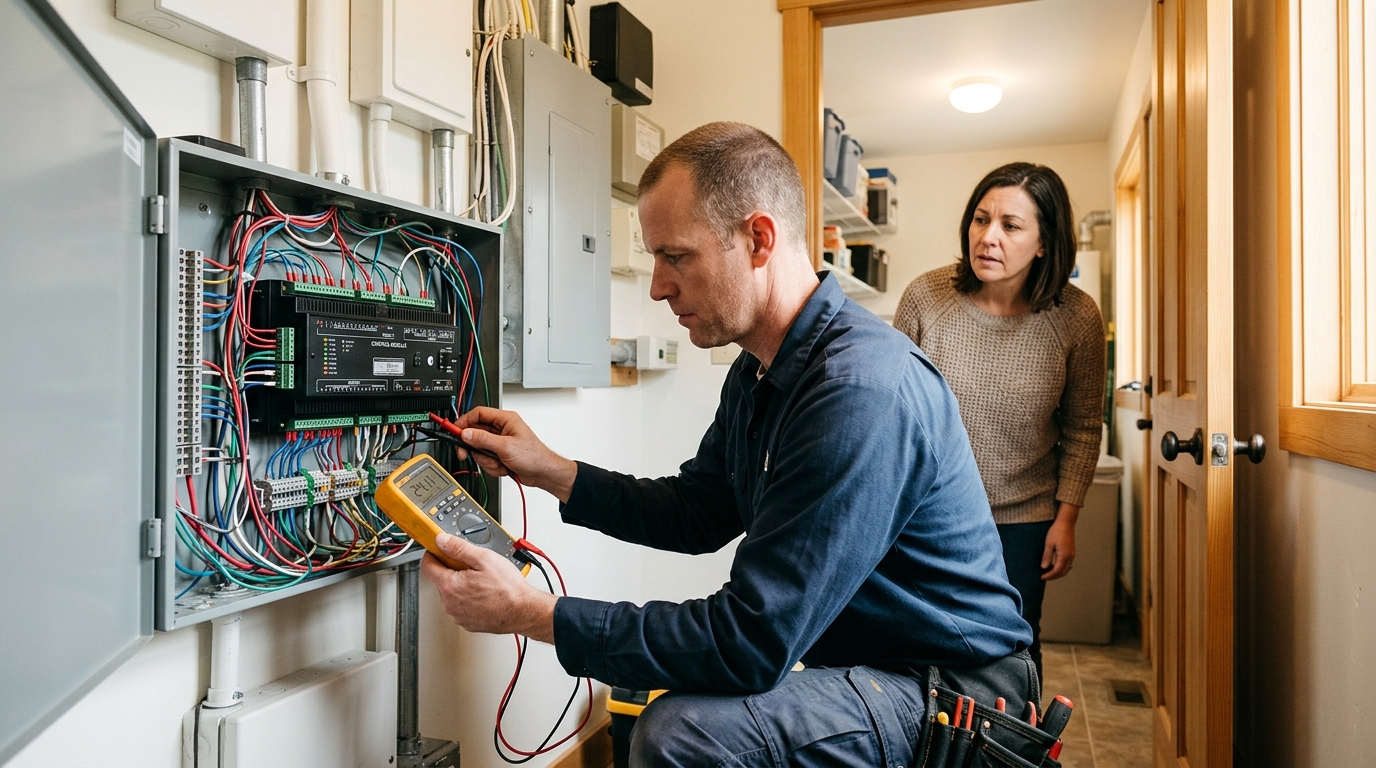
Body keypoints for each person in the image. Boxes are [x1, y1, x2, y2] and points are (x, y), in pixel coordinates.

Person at [421, 122, 1035, 767]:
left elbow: (748, 640)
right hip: (874, 669)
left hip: (958, 699)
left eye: (676, 256)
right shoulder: (762, 367)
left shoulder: (861, 391)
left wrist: (532, 613)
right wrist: (551, 471)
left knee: (685, 730)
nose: (658, 286)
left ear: (759, 239)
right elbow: (700, 511)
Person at [892, 162, 1106, 683]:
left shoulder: (1077, 318)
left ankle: (1009, 757)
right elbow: (890, 412)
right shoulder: (926, 298)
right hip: (926, 516)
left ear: (1044, 244)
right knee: (917, 647)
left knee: (1009, 652)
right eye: (981, 219)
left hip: (1023, 520)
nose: (988, 237)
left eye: (1011, 225)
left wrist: (1067, 518)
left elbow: (1083, 427)